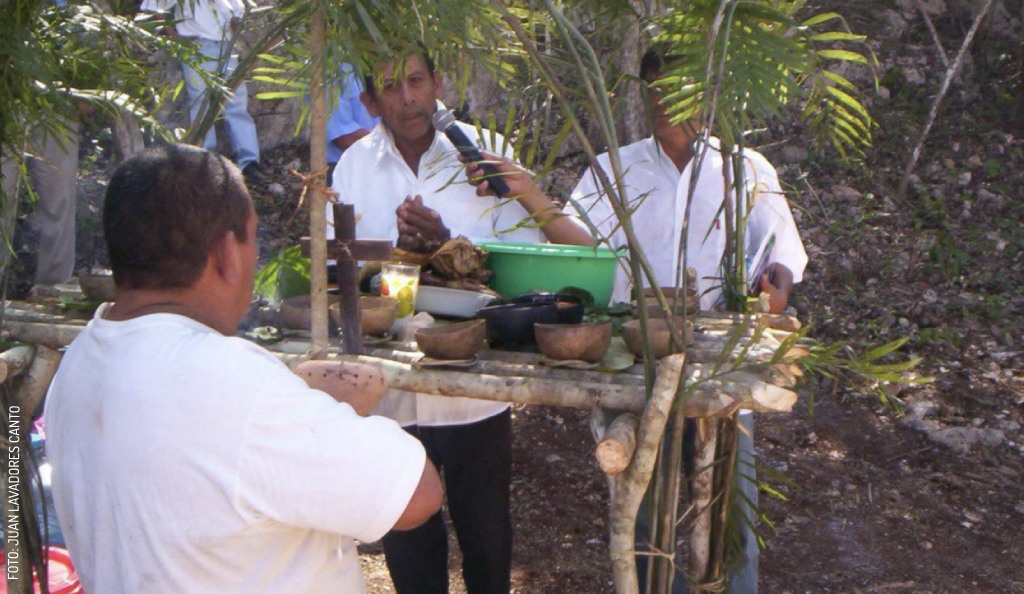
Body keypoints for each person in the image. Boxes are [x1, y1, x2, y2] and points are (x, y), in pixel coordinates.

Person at [44, 143, 442, 593]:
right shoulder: (229, 381)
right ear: (227, 254)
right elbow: (416, 495)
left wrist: (304, 406)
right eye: (252, 238)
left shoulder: (78, 361)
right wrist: (340, 411)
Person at [329, 50, 588, 594]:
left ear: (438, 83)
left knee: (487, 541)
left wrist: (448, 247)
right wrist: (403, 257)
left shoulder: (486, 155)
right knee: (409, 548)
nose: (408, 98)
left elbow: (526, 272)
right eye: (391, 86)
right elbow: (342, 274)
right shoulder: (354, 166)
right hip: (394, 391)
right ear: (369, 101)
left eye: (416, 80)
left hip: (476, 389)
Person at [568, 48, 808, 593]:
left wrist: (776, 288)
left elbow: (782, 258)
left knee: (727, 509)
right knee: (644, 512)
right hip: (635, 359)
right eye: (653, 88)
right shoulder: (613, 169)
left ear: (708, 93)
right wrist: (532, 201)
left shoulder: (744, 169)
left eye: (676, 88)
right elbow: (577, 249)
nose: (663, 101)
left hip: (721, 364)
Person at [141, 0, 263, 178]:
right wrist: (173, 35)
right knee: (200, 103)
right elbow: (155, 5)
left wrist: (237, 23)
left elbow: (238, 10)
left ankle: (248, 162)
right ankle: (207, 163)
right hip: (196, 44)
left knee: (235, 103)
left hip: (227, 44)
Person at [326, 63, 379, 182]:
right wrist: (392, 145)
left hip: (374, 162)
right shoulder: (331, 69)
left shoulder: (361, 65)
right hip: (345, 168)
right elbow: (345, 137)